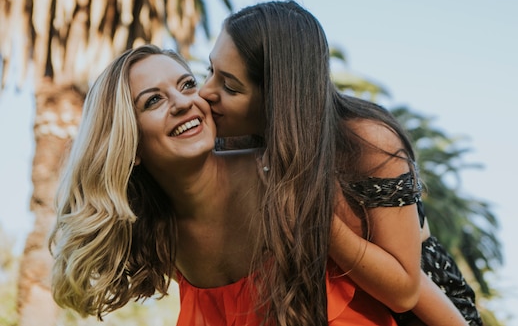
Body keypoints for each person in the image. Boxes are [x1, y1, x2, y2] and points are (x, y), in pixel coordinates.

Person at [48, 44, 406, 326]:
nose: (182, 103)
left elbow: (409, 289)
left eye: (187, 84)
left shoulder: (285, 178)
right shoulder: (156, 233)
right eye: (153, 100)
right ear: (130, 146)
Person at [199, 0, 483, 326]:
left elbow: (406, 291)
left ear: (279, 96)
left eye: (230, 86)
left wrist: (318, 218)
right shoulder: (229, 143)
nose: (207, 92)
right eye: (211, 71)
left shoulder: (366, 144)